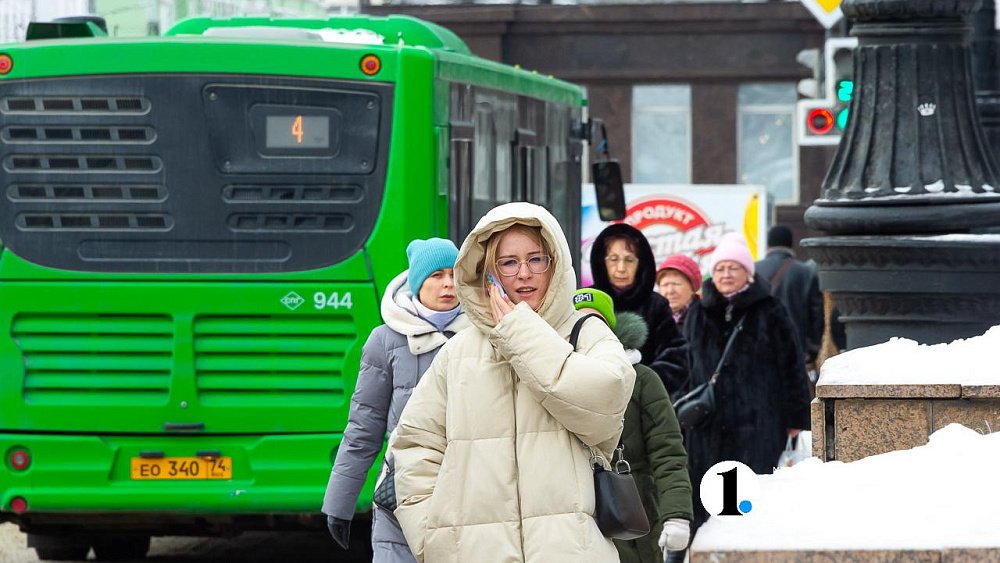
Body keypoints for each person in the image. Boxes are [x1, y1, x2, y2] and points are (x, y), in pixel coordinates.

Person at [389, 203, 636, 562]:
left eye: (536, 260)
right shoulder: (457, 352)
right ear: (488, 272)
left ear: (555, 264)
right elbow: (414, 446)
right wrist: (433, 535)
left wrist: (520, 332)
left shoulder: (586, 332)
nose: (524, 274)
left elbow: (605, 404)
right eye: (508, 263)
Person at [322, 238, 469, 562]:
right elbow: (364, 425)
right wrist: (339, 504)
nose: (448, 284)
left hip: (469, 494)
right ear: (418, 283)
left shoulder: (484, 335)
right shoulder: (385, 340)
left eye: (454, 274)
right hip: (400, 494)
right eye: (436, 275)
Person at [681, 233, 811, 533]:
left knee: (749, 499)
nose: (726, 275)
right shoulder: (698, 313)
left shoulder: (770, 310)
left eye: (733, 268)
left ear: (748, 273)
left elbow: (791, 365)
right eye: (721, 268)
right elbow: (686, 367)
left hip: (758, 423)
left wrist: (794, 418)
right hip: (707, 426)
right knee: (707, 501)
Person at [573, 288, 693, 563]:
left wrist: (676, 515)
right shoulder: (551, 381)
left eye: (594, 323)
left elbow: (668, 452)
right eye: (576, 323)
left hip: (633, 517)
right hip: (574, 521)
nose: (585, 333)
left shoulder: (641, 379)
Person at [589, 223, 688, 393]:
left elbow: (676, 358)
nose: (621, 268)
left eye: (629, 260)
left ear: (640, 264)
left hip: (644, 403)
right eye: (613, 259)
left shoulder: (656, 305)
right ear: (602, 262)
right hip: (595, 399)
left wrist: (641, 382)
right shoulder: (588, 301)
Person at [754, 225, 823, 367]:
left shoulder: (754, 270)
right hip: (795, 348)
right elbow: (816, 314)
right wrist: (814, 348)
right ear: (791, 244)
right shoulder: (805, 272)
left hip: (758, 346)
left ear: (768, 244)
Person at [655, 254, 702, 327]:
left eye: (676, 284)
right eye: (665, 285)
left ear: (692, 288)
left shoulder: (705, 318)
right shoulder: (651, 321)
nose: (670, 291)